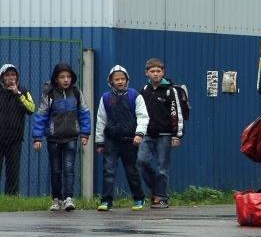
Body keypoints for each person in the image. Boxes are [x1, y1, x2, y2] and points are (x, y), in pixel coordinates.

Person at [32, 62, 91, 211]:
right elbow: (41, 115)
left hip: (71, 138)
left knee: (69, 168)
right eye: (62, 77)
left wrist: (85, 133)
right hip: (53, 139)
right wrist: (37, 138)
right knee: (56, 170)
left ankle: (68, 198)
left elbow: (84, 113)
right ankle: (57, 199)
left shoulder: (76, 93)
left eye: (68, 77)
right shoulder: (49, 94)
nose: (66, 80)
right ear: (56, 79)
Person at [95, 65, 150, 211]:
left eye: (122, 79)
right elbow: (101, 120)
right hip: (111, 140)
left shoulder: (135, 96)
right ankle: (106, 200)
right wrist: (100, 142)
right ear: (111, 81)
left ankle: (139, 198)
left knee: (131, 170)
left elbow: (143, 117)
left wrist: (139, 134)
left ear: (127, 80)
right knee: (109, 170)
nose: (120, 81)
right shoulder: (106, 98)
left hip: (130, 140)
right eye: (117, 79)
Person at [138, 58, 184, 209]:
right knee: (142, 161)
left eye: (158, 71)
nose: (155, 74)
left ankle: (162, 197)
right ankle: (155, 189)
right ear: (147, 73)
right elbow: (139, 112)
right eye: (152, 71)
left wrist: (177, 135)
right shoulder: (145, 90)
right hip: (148, 134)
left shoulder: (171, 91)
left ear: (163, 72)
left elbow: (177, 113)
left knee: (162, 168)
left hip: (165, 135)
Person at [0, 64, 35, 195]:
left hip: (15, 140)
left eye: (13, 75)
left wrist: (17, 94)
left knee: (13, 173)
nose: (11, 78)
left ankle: (12, 198)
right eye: (7, 75)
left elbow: (31, 109)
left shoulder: (23, 91)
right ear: (2, 77)